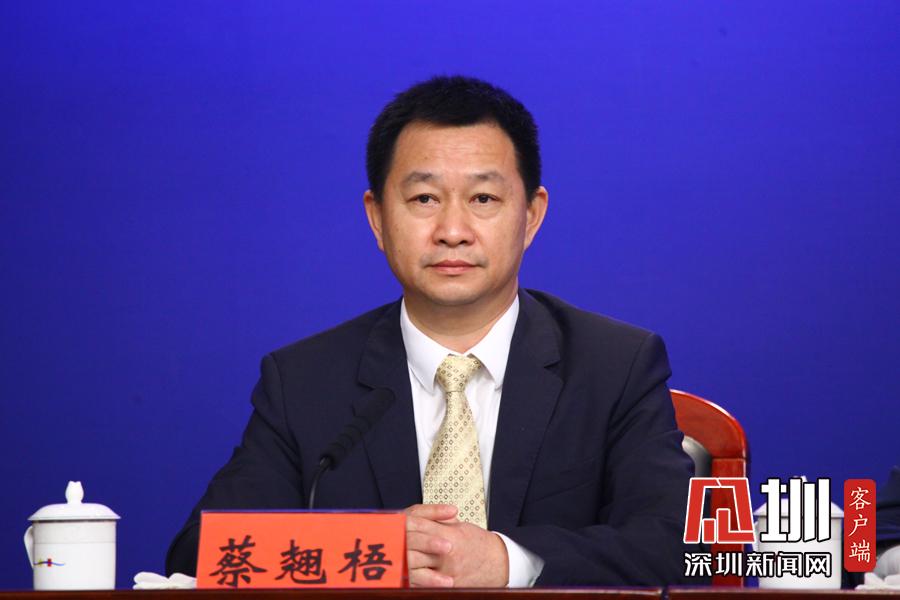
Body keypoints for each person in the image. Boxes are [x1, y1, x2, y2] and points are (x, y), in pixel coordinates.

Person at [166, 75, 695, 587]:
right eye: (424, 199)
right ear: (377, 218)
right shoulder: (303, 381)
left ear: (532, 216)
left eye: (483, 199)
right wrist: (373, 552)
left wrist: (506, 561)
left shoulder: (615, 366)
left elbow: (679, 548)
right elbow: (200, 552)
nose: (452, 232)